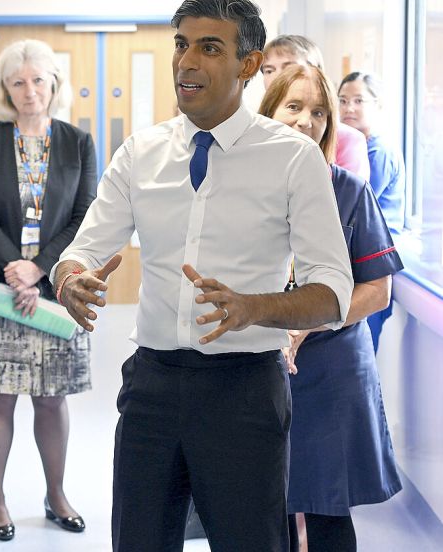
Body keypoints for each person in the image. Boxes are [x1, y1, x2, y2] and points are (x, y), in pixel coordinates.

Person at [52, 1, 355, 550]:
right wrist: (69, 278)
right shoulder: (141, 153)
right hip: (152, 387)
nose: (186, 62)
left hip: (244, 393)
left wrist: (254, 307)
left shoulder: (292, 158)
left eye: (209, 48)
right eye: (181, 44)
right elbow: (83, 250)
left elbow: (333, 292)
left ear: (248, 65)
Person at [260, 64, 403, 552]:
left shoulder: (348, 190)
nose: (307, 120)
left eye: (319, 112)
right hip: (257, 364)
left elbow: (378, 290)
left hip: (332, 368)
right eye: (293, 107)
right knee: (266, 507)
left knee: (327, 508)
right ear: (268, 112)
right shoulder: (240, 190)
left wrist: (309, 322)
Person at [0, 39, 97, 542]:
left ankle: (56, 494)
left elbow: (85, 215)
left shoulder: (77, 142)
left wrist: (39, 269)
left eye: (38, 80)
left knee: (51, 398)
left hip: (56, 289)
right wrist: (15, 269)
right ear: (5, 89)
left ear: (54, 84)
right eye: (17, 82)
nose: (29, 90)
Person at [339, 71, 406, 351]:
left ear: (377, 105)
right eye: (343, 100)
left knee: (362, 350)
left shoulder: (378, 152)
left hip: (373, 266)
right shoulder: (355, 146)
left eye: (359, 100)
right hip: (359, 263)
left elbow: (353, 205)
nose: (349, 108)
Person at [259, 34, 370, 181]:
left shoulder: (347, 140)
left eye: (289, 67)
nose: (277, 77)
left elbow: (347, 190)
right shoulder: (253, 133)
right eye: (269, 70)